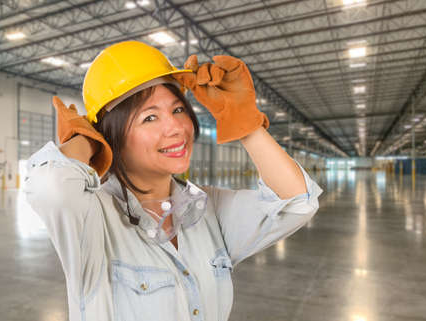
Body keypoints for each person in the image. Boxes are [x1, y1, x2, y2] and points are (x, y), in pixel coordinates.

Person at [24, 40, 323, 321]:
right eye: (149, 118)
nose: (177, 127)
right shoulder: (92, 220)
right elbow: (50, 188)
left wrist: (244, 120)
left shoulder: (209, 211)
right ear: (110, 134)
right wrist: (85, 141)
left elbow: (298, 201)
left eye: (178, 109)